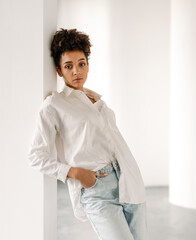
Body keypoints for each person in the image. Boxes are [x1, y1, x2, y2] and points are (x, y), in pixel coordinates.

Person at [27, 28, 148, 240]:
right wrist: (74, 172)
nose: (76, 71)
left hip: (129, 181)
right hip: (97, 189)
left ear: (88, 65)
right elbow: (36, 156)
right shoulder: (55, 105)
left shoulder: (96, 99)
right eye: (68, 66)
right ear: (59, 71)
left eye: (81, 63)